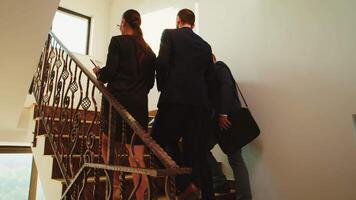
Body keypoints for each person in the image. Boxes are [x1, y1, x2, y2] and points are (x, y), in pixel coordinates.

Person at [151, 8, 215, 200]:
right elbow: (210, 78)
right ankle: (191, 184)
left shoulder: (169, 34)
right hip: (199, 105)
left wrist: (163, 87)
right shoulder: (205, 46)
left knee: (155, 143)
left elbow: (162, 63)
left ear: (178, 20)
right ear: (193, 24)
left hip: (174, 99)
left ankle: (183, 184)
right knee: (192, 150)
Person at [93, 9, 155, 200]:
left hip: (117, 103)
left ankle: (117, 186)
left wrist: (98, 72)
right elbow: (150, 83)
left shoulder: (117, 42)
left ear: (124, 23)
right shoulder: (149, 51)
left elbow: (110, 72)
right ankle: (140, 195)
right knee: (135, 155)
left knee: (106, 143)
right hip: (138, 106)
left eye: (120, 23)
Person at [208, 54, 252, 200]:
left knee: (235, 159)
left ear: (211, 58)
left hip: (227, 120)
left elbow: (227, 87)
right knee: (200, 148)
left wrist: (223, 114)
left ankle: (243, 196)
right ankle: (220, 181)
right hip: (216, 122)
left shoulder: (219, 66)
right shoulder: (206, 75)